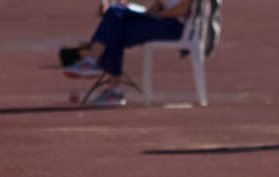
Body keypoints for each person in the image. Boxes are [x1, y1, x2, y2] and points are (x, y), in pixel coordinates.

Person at [63, 0, 192, 106]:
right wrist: (154, 9)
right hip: (161, 20)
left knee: (114, 24)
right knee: (115, 18)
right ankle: (110, 86)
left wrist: (157, 14)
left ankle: (94, 64)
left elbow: (183, 9)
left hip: (173, 26)